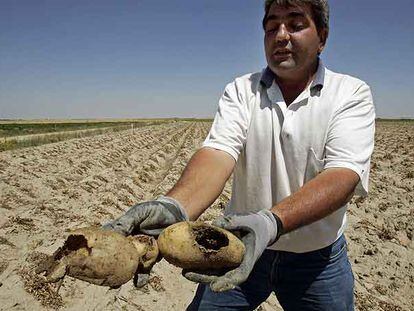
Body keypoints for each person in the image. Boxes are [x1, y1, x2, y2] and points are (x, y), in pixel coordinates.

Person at [103, 0, 375, 310]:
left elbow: (343, 175)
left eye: (295, 25)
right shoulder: (242, 90)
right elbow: (218, 153)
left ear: (322, 38)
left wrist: (271, 223)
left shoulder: (350, 94)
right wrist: (176, 206)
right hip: (238, 247)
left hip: (317, 261)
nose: (281, 35)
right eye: (271, 27)